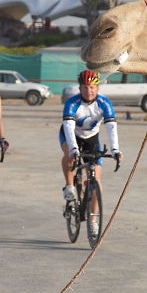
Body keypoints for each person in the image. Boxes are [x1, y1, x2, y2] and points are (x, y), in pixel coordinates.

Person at [60, 70, 122, 220]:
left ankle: (93, 221)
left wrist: (115, 150)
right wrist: (74, 149)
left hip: (91, 138)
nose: (89, 91)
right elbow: (68, 127)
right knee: (70, 154)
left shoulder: (104, 103)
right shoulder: (72, 103)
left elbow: (111, 127)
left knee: (96, 182)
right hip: (71, 135)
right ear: (80, 88)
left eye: (92, 87)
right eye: (85, 87)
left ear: (98, 88)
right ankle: (70, 187)